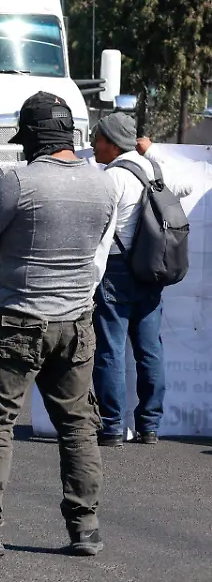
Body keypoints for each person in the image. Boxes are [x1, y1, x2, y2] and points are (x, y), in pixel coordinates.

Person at [0, 92, 116, 559]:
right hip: (76, 322)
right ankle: (85, 528)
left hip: (18, 319)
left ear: (32, 137)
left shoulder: (18, 182)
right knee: (78, 426)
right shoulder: (102, 184)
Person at [90, 113, 194, 447]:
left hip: (116, 270)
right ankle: (149, 426)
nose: (94, 145)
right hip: (151, 269)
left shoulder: (112, 177)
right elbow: (188, 184)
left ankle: (112, 427)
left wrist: (90, 279)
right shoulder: (153, 170)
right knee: (149, 350)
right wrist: (152, 152)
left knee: (111, 350)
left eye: (98, 139)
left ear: (112, 142)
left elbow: (100, 233)